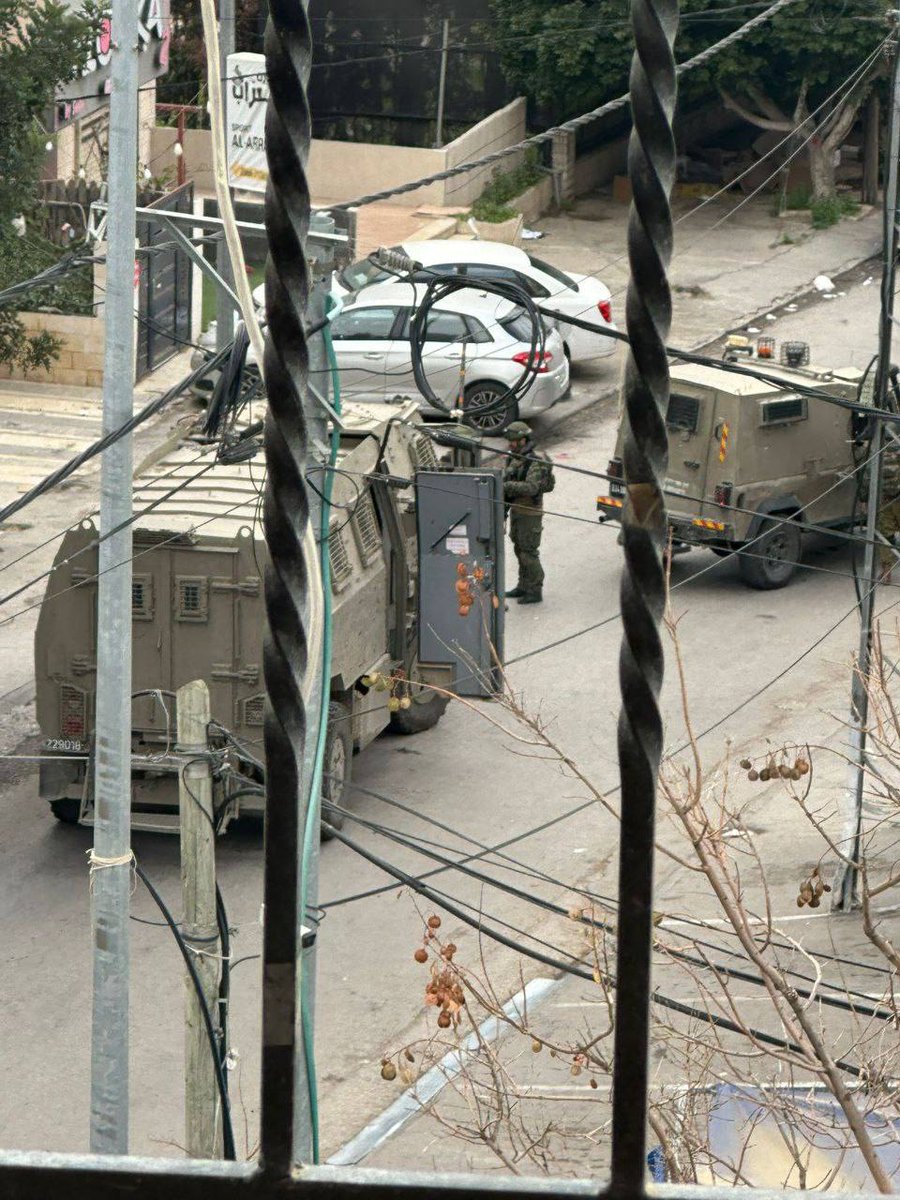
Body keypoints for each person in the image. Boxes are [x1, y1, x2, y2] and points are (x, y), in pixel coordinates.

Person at [502, 421, 555, 605]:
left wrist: (507, 485)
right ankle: (523, 585)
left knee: (528, 553)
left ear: (523, 440)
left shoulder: (534, 461)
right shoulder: (515, 458)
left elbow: (532, 488)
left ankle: (535, 589)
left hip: (530, 514)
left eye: (513, 441)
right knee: (519, 550)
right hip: (517, 511)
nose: (510, 444)